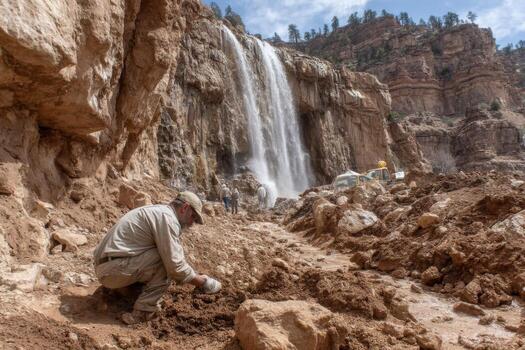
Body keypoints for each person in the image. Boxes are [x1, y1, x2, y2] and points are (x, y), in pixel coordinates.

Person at [93, 191, 221, 325]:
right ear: (185, 208)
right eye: (193, 217)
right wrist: (204, 282)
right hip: (113, 270)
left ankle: (120, 293)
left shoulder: (159, 212)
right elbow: (175, 266)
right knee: (165, 262)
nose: (192, 223)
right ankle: (143, 313)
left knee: (161, 257)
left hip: (108, 267)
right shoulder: (167, 218)